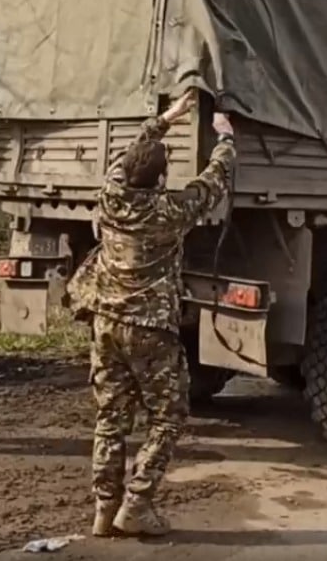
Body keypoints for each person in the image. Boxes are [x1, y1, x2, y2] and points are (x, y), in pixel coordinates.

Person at [67, 87, 237, 537]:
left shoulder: (109, 198)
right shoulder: (170, 212)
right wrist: (224, 137)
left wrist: (166, 118)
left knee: (110, 417)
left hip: (105, 324)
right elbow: (214, 181)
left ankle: (104, 509)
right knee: (167, 415)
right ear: (161, 181)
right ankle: (137, 503)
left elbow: (125, 160)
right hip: (150, 330)